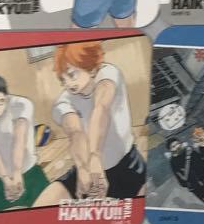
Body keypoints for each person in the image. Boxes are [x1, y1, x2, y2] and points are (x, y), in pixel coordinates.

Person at [50, 42, 146, 200]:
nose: (68, 83)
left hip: (128, 165)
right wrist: (83, 168)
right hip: (88, 171)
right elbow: (75, 132)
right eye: (63, 79)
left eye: (72, 74)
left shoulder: (108, 74)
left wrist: (95, 156)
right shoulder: (63, 101)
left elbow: (101, 108)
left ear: (91, 68)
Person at [0, 72, 64, 214]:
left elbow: (19, 137)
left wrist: (17, 173)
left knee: (47, 213)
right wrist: (6, 179)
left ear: (6, 96)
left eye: (0, 101)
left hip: (30, 174)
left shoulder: (21, 104)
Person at [166, 137, 204, 210]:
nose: (177, 147)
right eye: (173, 146)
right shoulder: (173, 162)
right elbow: (178, 176)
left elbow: (202, 161)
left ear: (180, 143)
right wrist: (188, 185)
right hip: (195, 187)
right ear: (170, 150)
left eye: (177, 144)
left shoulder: (189, 151)